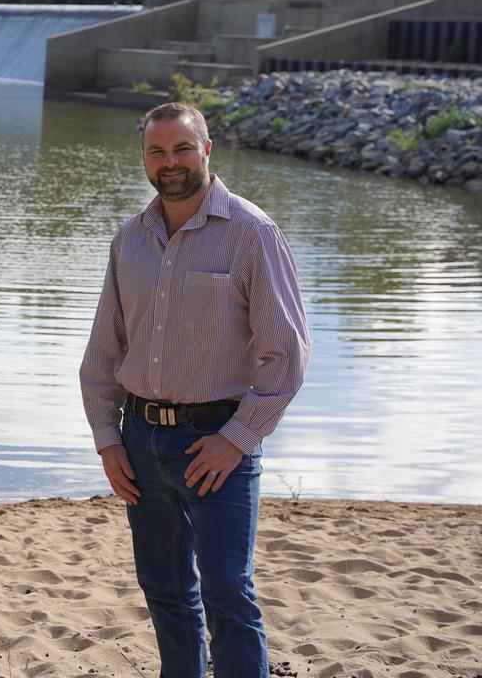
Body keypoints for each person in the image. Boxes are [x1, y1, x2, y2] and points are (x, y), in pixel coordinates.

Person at [79, 102, 310, 677]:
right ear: (144, 160)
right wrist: (108, 440)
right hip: (138, 442)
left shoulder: (254, 234)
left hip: (217, 442)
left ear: (207, 149)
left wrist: (238, 438)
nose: (170, 162)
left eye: (182, 148)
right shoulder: (128, 240)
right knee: (163, 586)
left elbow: (285, 355)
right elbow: (104, 352)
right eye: (156, 151)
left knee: (229, 592)